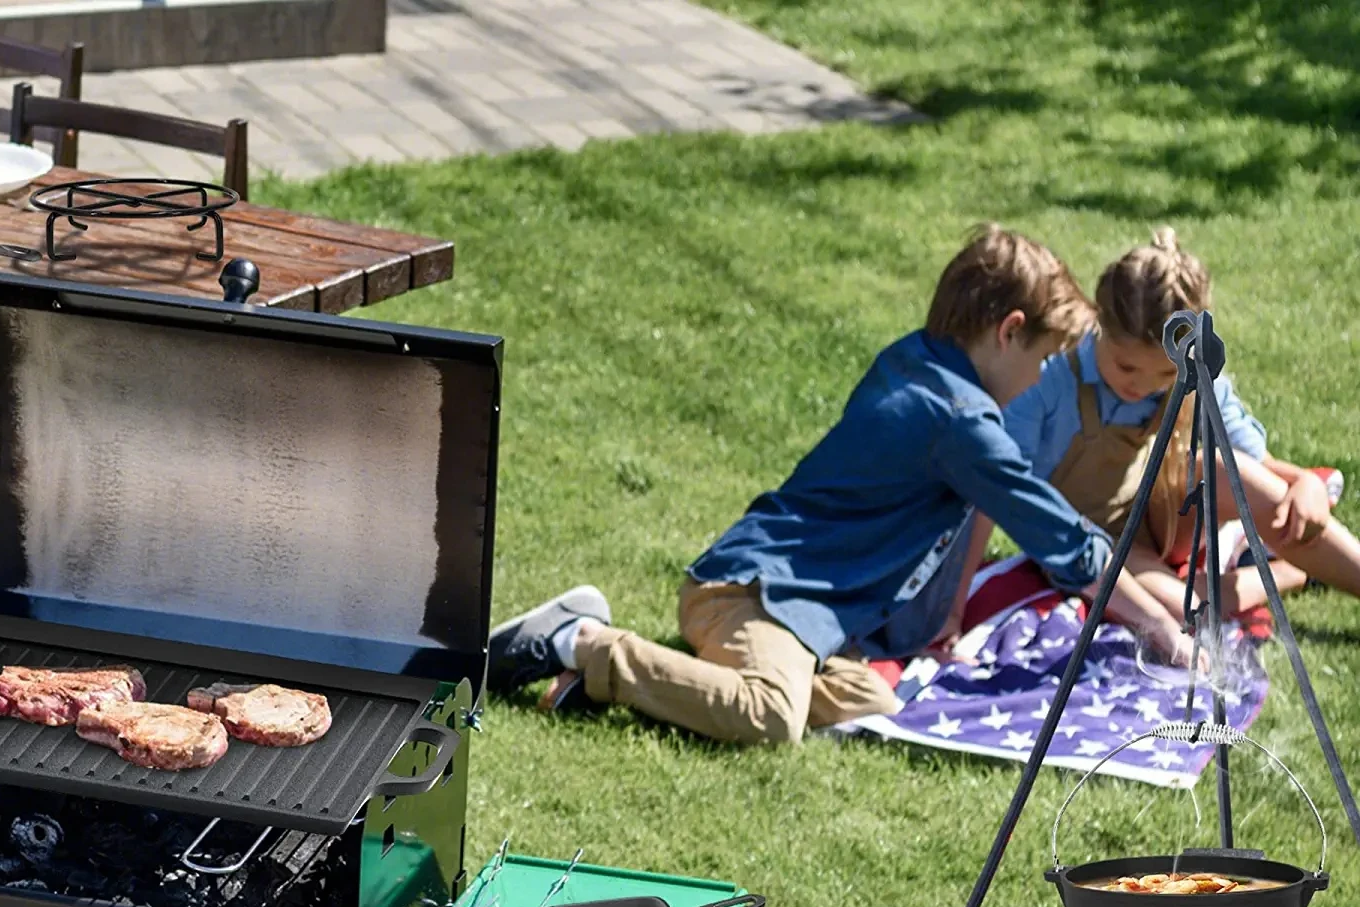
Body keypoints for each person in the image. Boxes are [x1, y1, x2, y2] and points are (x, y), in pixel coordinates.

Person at [487, 225, 1191, 746]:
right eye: (1041, 359)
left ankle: (624, 682)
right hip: (752, 596)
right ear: (1010, 332)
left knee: (870, 704)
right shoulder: (959, 419)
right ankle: (580, 641)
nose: (1041, 378)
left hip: (806, 616)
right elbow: (1059, 536)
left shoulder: (917, 361)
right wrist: (1157, 624)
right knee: (768, 716)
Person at [1004, 228, 1360, 623]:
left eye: (1164, 375)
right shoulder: (1052, 376)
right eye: (1127, 366)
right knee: (1181, 610)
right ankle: (1290, 573)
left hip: (1167, 514)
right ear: (1099, 322)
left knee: (1237, 473)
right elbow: (996, 482)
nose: (1141, 385)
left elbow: (1255, 466)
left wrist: (1304, 483)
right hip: (1096, 544)